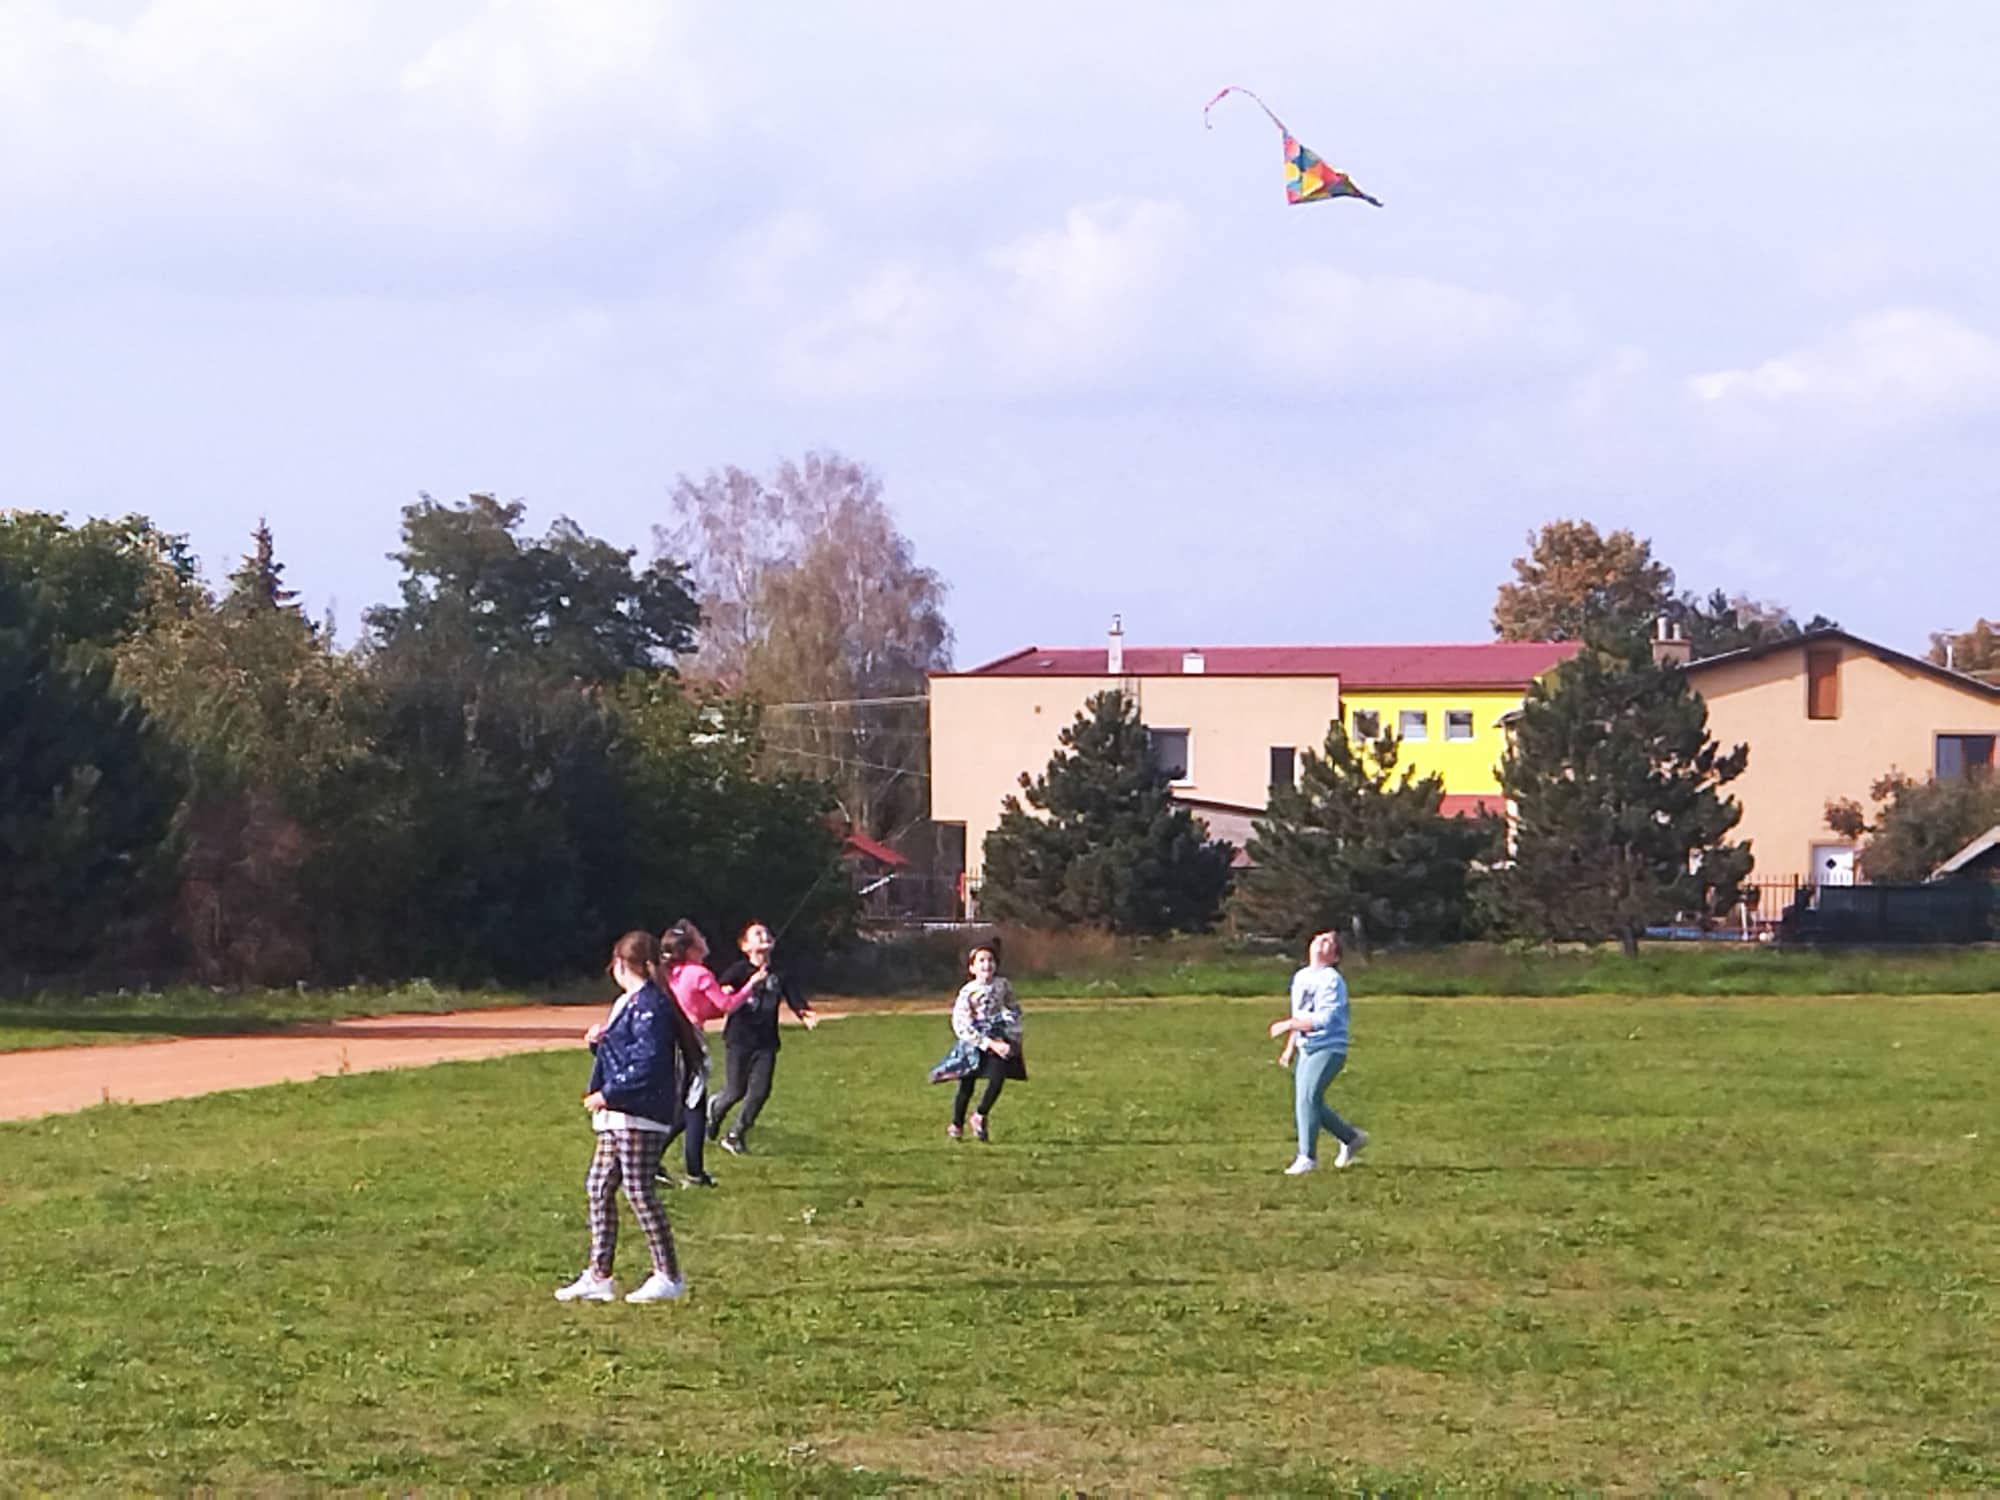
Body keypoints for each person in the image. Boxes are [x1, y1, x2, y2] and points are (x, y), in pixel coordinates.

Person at [554, 931, 703, 1304]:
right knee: (598, 1186)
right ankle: (599, 1275)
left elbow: (647, 1064)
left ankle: (668, 1275)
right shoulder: (630, 1003)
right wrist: (600, 1043)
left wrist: (608, 1094)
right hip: (618, 1116)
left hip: (639, 1114)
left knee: (638, 1190)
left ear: (620, 964)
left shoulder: (651, 1006)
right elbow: (627, 1054)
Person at [657, 918, 756, 1187]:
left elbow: (701, 1009)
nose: (705, 939)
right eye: (700, 937)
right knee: (694, 1108)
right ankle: (693, 1172)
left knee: (686, 1107)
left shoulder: (671, 973)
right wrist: (751, 985)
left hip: (672, 1040)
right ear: (691, 948)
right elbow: (726, 1006)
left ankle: (658, 1161)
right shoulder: (699, 973)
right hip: (692, 1043)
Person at [707, 920, 819, 1154]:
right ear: (745, 947)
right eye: (757, 934)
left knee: (760, 1092)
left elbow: (794, 997)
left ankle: (735, 1135)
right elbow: (723, 989)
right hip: (739, 1039)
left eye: (767, 933)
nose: (764, 936)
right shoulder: (739, 970)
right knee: (735, 1091)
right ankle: (715, 1110)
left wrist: (804, 1013)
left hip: (766, 1042)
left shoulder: (780, 973)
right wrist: (729, 988)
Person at [1267, 929, 1368, 1176]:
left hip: (1329, 1047)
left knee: (1308, 1099)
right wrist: (1290, 1047)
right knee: (1307, 1102)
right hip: (1306, 1047)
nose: (1321, 942)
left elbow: (1326, 1018)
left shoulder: (1332, 980)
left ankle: (1307, 1157)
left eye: (1329, 942)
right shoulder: (1301, 977)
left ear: (1335, 956)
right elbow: (1299, 1014)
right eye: (1319, 938)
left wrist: (1288, 1025)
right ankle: (1351, 1137)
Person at [929, 940, 1025, 1142]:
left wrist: (1012, 1033)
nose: (986, 964)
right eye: (981, 960)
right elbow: (961, 1023)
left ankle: (980, 1115)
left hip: (998, 1035)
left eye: (990, 960)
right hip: (974, 1041)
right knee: (967, 1083)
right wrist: (985, 1042)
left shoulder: (1003, 985)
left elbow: (1012, 1008)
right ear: (972, 968)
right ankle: (956, 1123)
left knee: (998, 1076)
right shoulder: (968, 992)